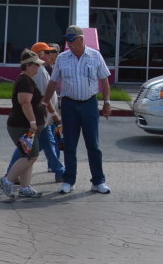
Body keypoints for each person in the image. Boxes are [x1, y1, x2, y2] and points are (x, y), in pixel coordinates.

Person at [46, 25, 113, 194]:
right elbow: (53, 82)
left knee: (93, 145)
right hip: (69, 105)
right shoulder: (62, 58)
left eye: (71, 40)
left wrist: (106, 102)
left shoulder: (94, 56)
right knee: (69, 145)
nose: (68, 43)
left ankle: (98, 181)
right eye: (66, 40)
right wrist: (44, 102)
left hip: (89, 104)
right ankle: (69, 180)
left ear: (81, 39)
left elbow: (104, 80)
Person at [6, 44, 64, 181]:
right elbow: (33, 100)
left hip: (43, 118)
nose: (51, 55)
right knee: (31, 150)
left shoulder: (40, 71)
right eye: (48, 52)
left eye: (52, 52)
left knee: (31, 149)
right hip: (40, 119)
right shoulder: (33, 76)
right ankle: (9, 178)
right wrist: (37, 120)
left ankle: (21, 181)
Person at [0, 56, 46, 200]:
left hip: (25, 125)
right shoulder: (25, 81)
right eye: (36, 65)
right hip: (22, 126)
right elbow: (25, 102)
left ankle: (25, 188)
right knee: (31, 156)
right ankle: (7, 181)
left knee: (28, 157)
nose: (38, 68)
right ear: (28, 65)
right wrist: (32, 122)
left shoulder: (27, 79)